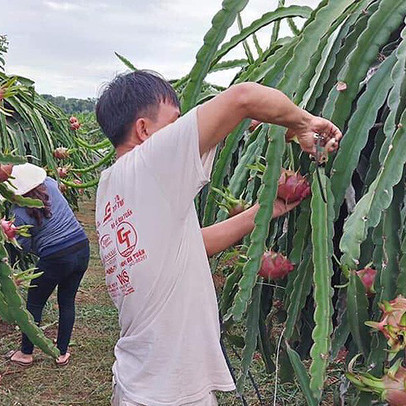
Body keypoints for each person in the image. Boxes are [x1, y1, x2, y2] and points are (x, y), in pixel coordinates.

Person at [95, 70, 342, 406]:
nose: (182, 129)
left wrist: (263, 211)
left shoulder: (113, 184)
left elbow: (188, 246)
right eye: (175, 120)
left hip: (140, 378)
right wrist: (303, 123)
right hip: (169, 393)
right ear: (143, 129)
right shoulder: (151, 163)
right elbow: (243, 98)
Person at [5, 163, 90, 367]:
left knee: (34, 303)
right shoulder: (50, 183)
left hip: (56, 256)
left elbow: (22, 247)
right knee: (67, 301)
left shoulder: (19, 214)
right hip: (82, 246)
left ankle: (25, 353)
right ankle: (61, 353)